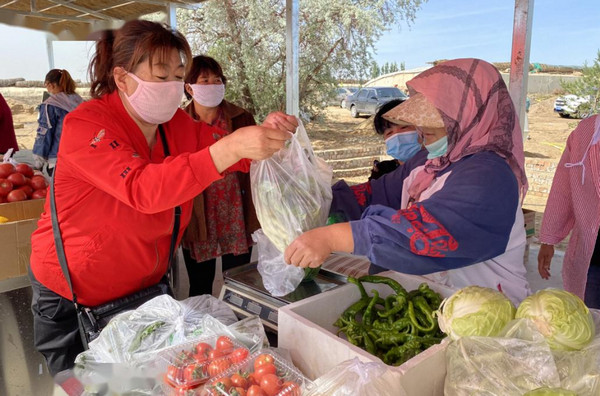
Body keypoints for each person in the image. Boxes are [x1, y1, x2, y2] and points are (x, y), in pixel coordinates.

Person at [28, 20, 297, 376]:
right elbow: (143, 189)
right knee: (90, 385)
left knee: (150, 382)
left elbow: (232, 154)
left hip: (146, 295)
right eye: (161, 75)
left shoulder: (175, 125)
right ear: (123, 79)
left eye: (178, 75)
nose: (174, 87)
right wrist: (227, 149)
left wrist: (266, 135)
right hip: (75, 299)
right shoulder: (88, 125)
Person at [285, 58, 531, 304]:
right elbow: (377, 193)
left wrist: (333, 238)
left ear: (470, 113)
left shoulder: (490, 175)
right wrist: (316, 200)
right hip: (432, 302)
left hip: (482, 312)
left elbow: (432, 230)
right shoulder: (430, 160)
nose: (423, 130)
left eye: (435, 117)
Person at [181, 55, 259, 296]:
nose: (213, 86)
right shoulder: (178, 123)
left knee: (237, 286)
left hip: (236, 212)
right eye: (205, 81)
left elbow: (256, 163)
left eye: (217, 80)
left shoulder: (241, 118)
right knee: (200, 286)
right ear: (189, 87)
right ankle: (202, 333)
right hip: (198, 214)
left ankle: (235, 331)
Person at [538, 114, 600, 308]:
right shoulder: (587, 131)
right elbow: (563, 187)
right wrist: (549, 239)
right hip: (595, 256)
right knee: (591, 320)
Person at [32, 69, 83, 175]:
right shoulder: (79, 101)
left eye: (46, 84)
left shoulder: (51, 105)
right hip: (79, 158)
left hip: (58, 160)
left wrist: (38, 162)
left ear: (51, 85)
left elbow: (44, 134)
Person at [369, 98, 426, 180]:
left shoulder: (438, 166)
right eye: (389, 133)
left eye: (404, 127)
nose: (397, 135)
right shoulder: (382, 173)